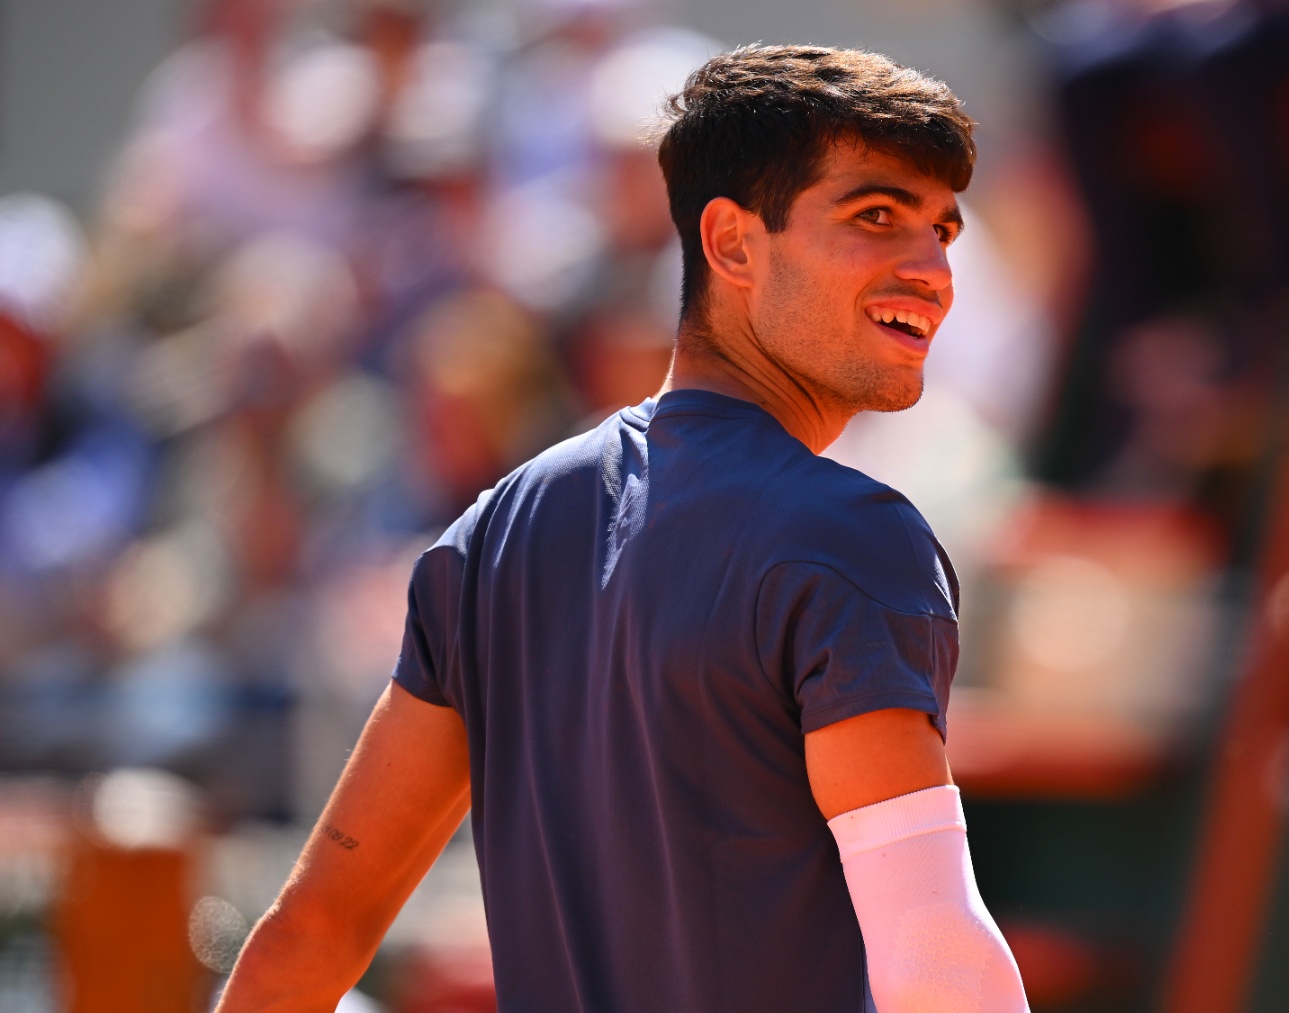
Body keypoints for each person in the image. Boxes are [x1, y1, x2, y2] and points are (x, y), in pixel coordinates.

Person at [216, 44, 1030, 1012]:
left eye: (943, 230)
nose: (932, 270)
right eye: (876, 218)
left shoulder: (494, 532)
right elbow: (933, 956)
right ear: (730, 243)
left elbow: (311, 929)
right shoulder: (851, 535)